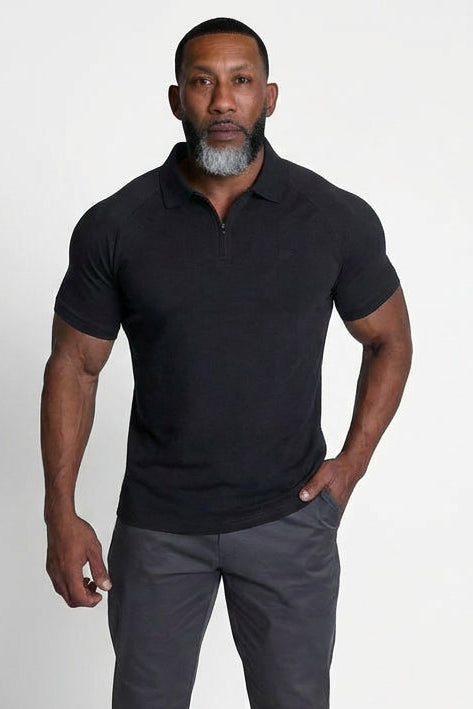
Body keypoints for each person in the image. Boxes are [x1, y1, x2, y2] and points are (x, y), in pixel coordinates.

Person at [41, 16, 412, 709]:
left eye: (240, 82)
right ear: (176, 99)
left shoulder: (331, 217)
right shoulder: (116, 225)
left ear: (268, 98)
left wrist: (351, 465)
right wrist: (59, 513)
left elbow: (389, 338)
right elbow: (74, 366)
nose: (221, 102)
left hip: (288, 520)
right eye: (202, 82)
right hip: (157, 528)